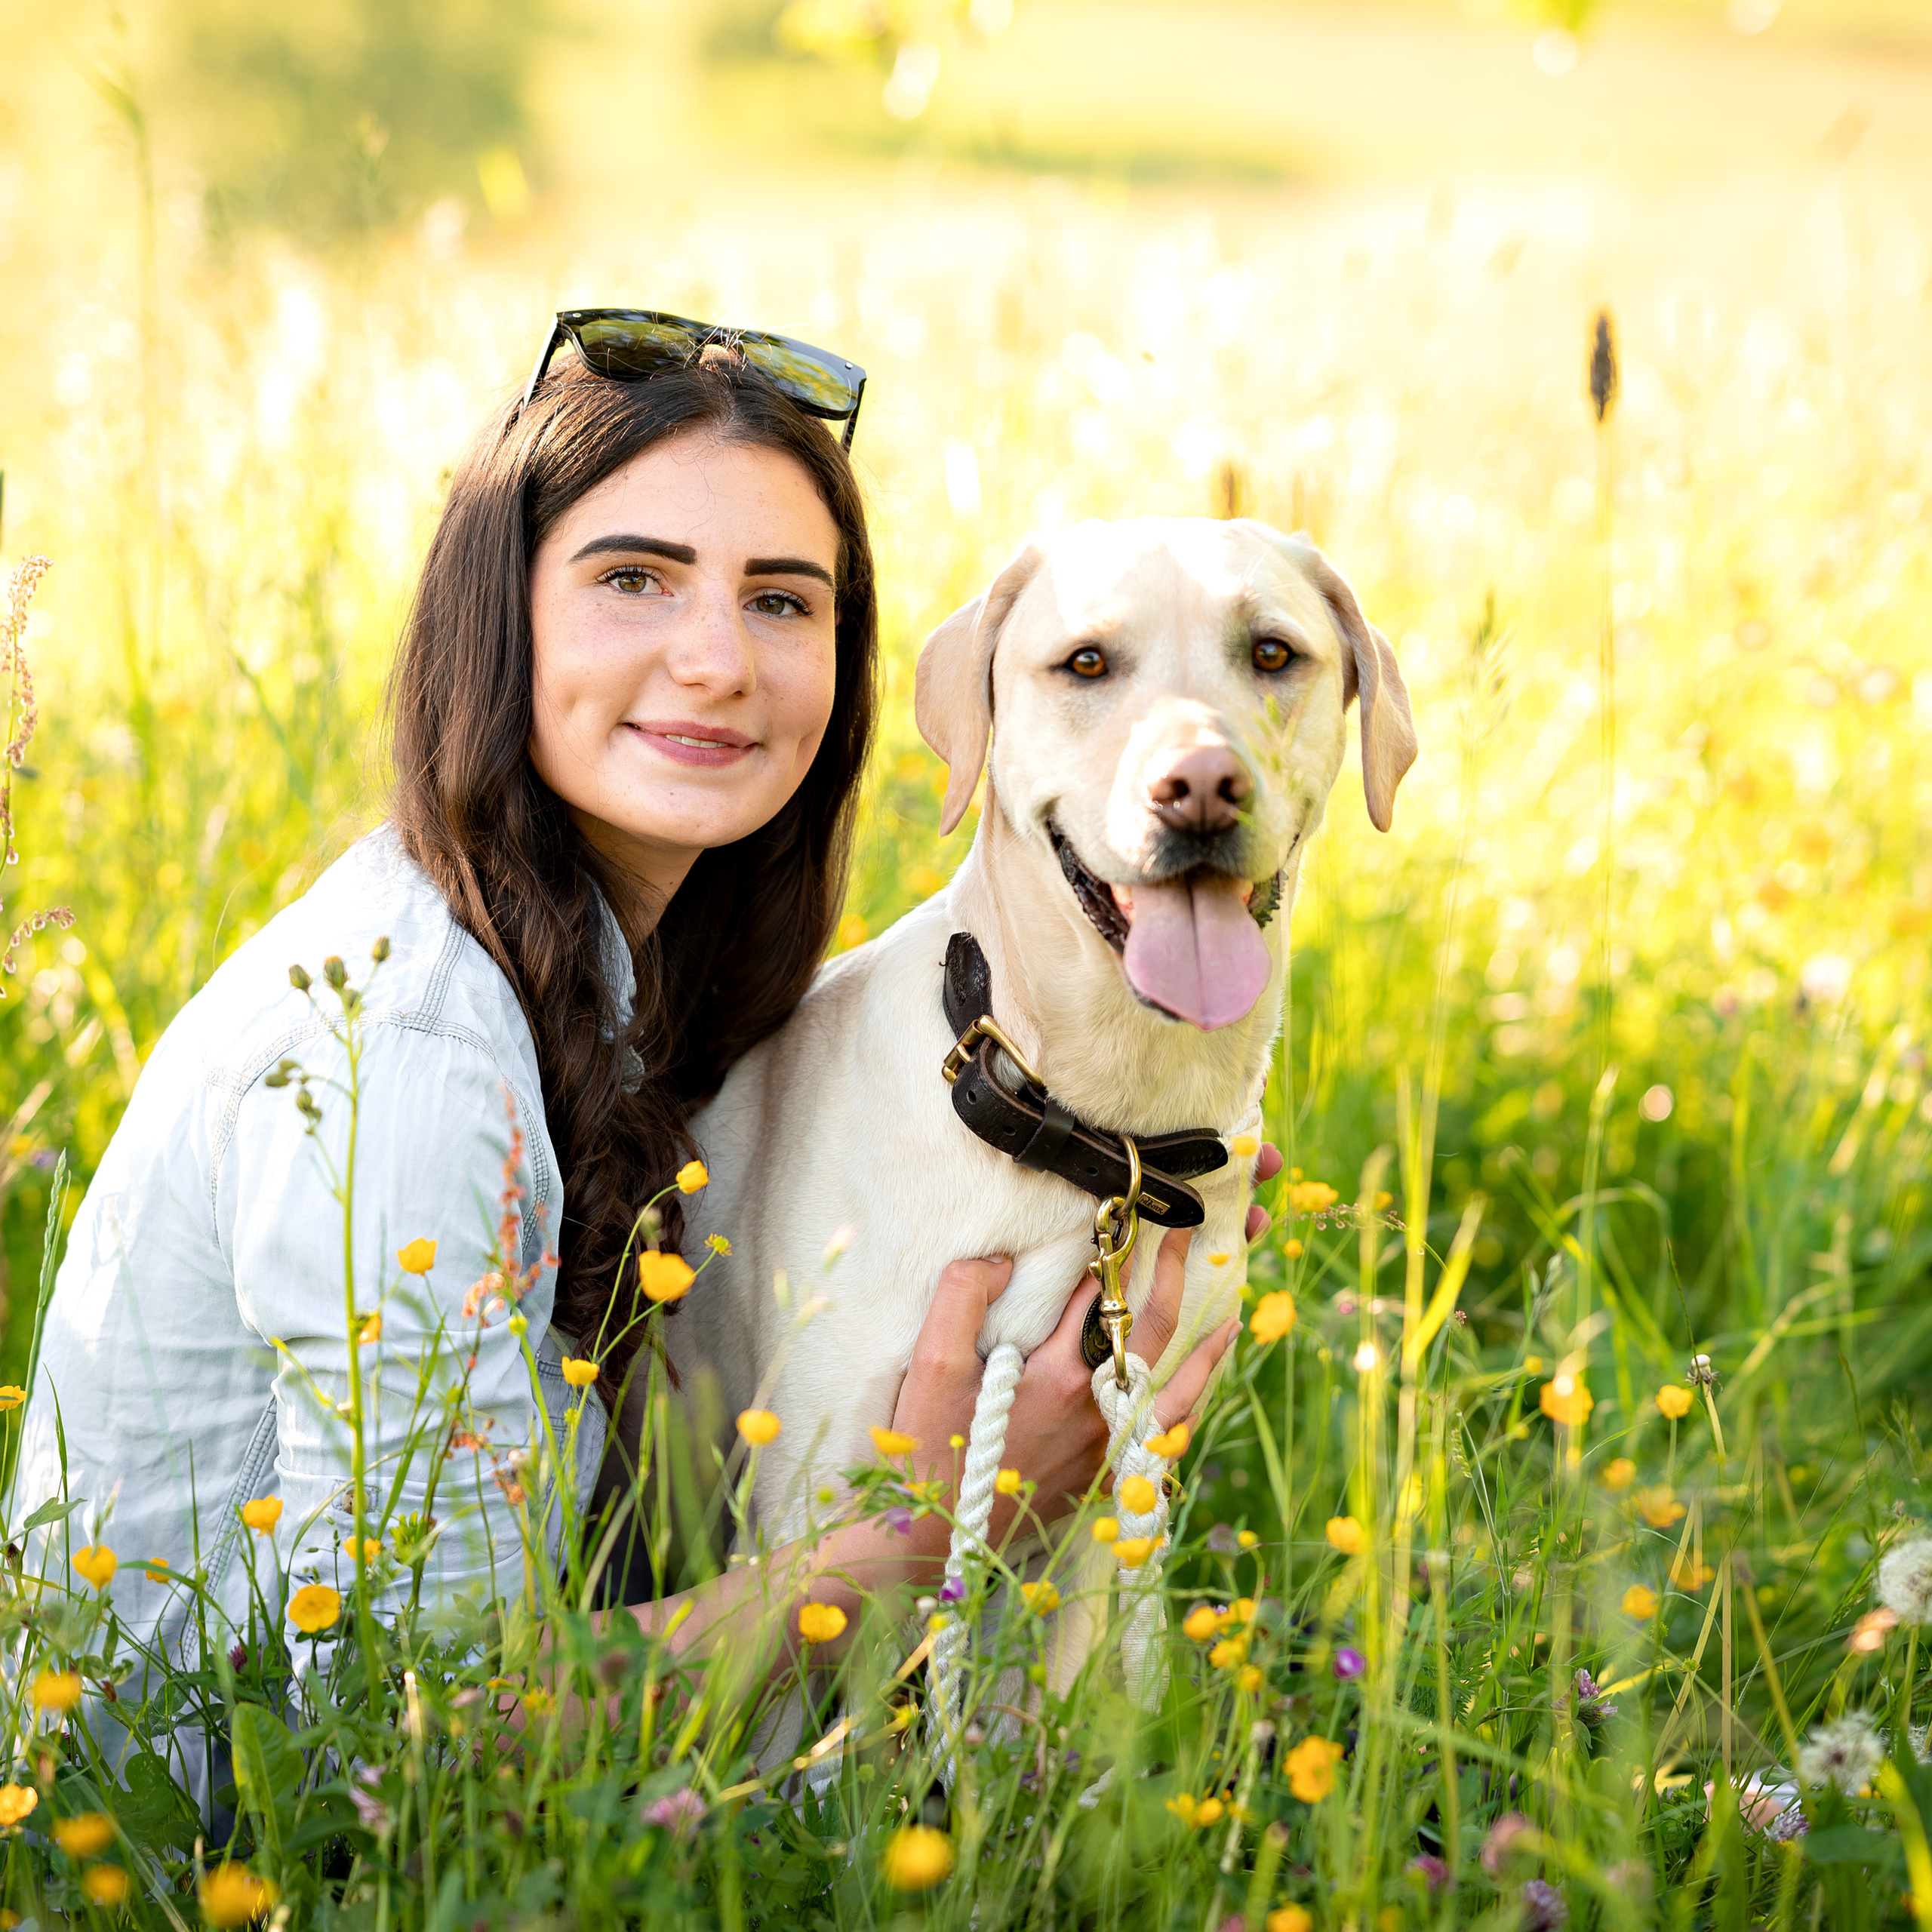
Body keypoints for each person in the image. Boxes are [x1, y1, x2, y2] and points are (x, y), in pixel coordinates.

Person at [15, 311, 1261, 1687]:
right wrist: (941, 1529)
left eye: (782, 600)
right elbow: (408, 1739)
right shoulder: (407, 1053)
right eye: (635, 579)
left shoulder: (628, 976)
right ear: (499, 623)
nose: (719, 659)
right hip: (199, 1869)